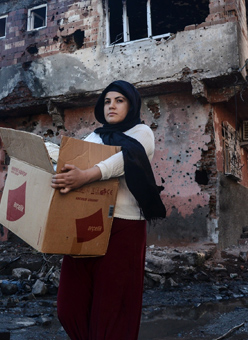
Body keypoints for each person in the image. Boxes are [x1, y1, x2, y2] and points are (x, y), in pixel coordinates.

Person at [50, 80, 165, 340]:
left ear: (131, 104)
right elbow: (71, 162)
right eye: (107, 101)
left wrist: (87, 175)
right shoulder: (95, 136)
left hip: (125, 226)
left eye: (119, 100)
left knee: (113, 310)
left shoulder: (141, 132)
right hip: (87, 220)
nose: (111, 105)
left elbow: (125, 158)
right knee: (69, 307)